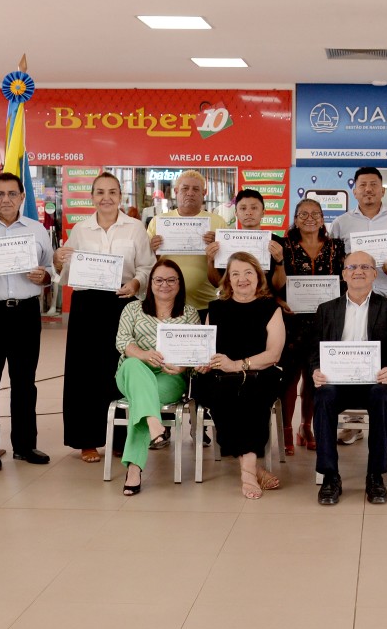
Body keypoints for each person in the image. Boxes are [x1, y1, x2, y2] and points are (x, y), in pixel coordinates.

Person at [54, 171, 154, 463]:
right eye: (100, 192)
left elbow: (147, 267)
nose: (106, 198)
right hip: (87, 305)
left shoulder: (135, 228)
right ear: (92, 196)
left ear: (120, 196)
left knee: (120, 369)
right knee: (84, 372)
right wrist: (59, 260)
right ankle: (87, 440)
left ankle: (122, 439)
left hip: (123, 303)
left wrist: (136, 283)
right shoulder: (81, 229)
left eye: (112, 192)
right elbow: (67, 270)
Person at [0, 172, 55, 470]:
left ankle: (25, 445)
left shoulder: (36, 229)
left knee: (25, 383)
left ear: (22, 197)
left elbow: (50, 269)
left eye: (12, 194)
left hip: (25, 313)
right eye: (0, 194)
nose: (6, 199)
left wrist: (44, 277)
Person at [328, 166, 387, 445]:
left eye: (373, 185)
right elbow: (336, 262)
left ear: (383, 190)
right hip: (354, 302)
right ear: (354, 190)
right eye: (362, 185)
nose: (368, 190)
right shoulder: (342, 223)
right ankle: (355, 423)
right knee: (355, 361)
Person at [310, 250, 387, 505]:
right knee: (323, 396)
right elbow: (313, 352)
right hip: (337, 383)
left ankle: (375, 475)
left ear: (374, 274)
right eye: (352, 267)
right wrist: (315, 371)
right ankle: (330, 476)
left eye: (365, 267)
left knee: (383, 396)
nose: (358, 271)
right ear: (344, 274)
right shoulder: (326, 310)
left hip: (374, 382)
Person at [193, 252, 286, 499]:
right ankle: (252, 467)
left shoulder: (271, 308)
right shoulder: (216, 308)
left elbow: (274, 354)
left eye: (248, 273)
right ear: (228, 280)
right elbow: (206, 349)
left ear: (258, 276)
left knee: (251, 395)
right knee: (224, 393)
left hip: (260, 374)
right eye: (235, 274)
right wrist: (204, 362)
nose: (242, 279)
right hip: (219, 377)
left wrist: (237, 365)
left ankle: (246, 471)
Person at [114, 258, 197, 496]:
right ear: (150, 284)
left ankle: (134, 469)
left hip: (169, 376)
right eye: (159, 280)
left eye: (171, 280)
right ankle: (154, 422)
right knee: (132, 365)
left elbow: (195, 352)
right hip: (132, 372)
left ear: (180, 284)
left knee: (143, 400)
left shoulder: (189, 313)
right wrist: (142, 355)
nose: (165, 285)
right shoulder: (132, 308)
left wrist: (182, 367)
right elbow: (122, 342)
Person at [280, 198, 347, 453]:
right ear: (295, 219)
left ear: (323, 219)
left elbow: (343, 283)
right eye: (303, 214)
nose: (310, 218)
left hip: (325, 321)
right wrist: (278, 300)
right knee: (290, 376)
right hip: (290, 320)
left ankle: (305, 425)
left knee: (313, 377)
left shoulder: (336, 247)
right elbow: (272, 281)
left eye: (315, 214)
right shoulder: (282, 245)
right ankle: (286, 427)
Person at [147, 170, 226, 315]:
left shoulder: (218, 222)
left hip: (205, 304)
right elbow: (146, 265)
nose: (190, 193)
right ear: (176, 191)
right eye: (185, 188)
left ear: (204, 193)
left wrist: (217, 251)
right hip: (166, 305)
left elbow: (225, 272)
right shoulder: (158, 222)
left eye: (196, 189)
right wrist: (152, 251)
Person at [205, 188, 286, 290]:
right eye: (243, 208)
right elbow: (217, 283)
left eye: (254, 208)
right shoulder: (224, 242)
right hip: (233, 302)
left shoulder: (277, 243)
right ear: (236, 213)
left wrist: (279, 262)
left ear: (263, 212)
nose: (248, 212)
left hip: (265, 301)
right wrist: (210, 261)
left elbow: (278, 286)